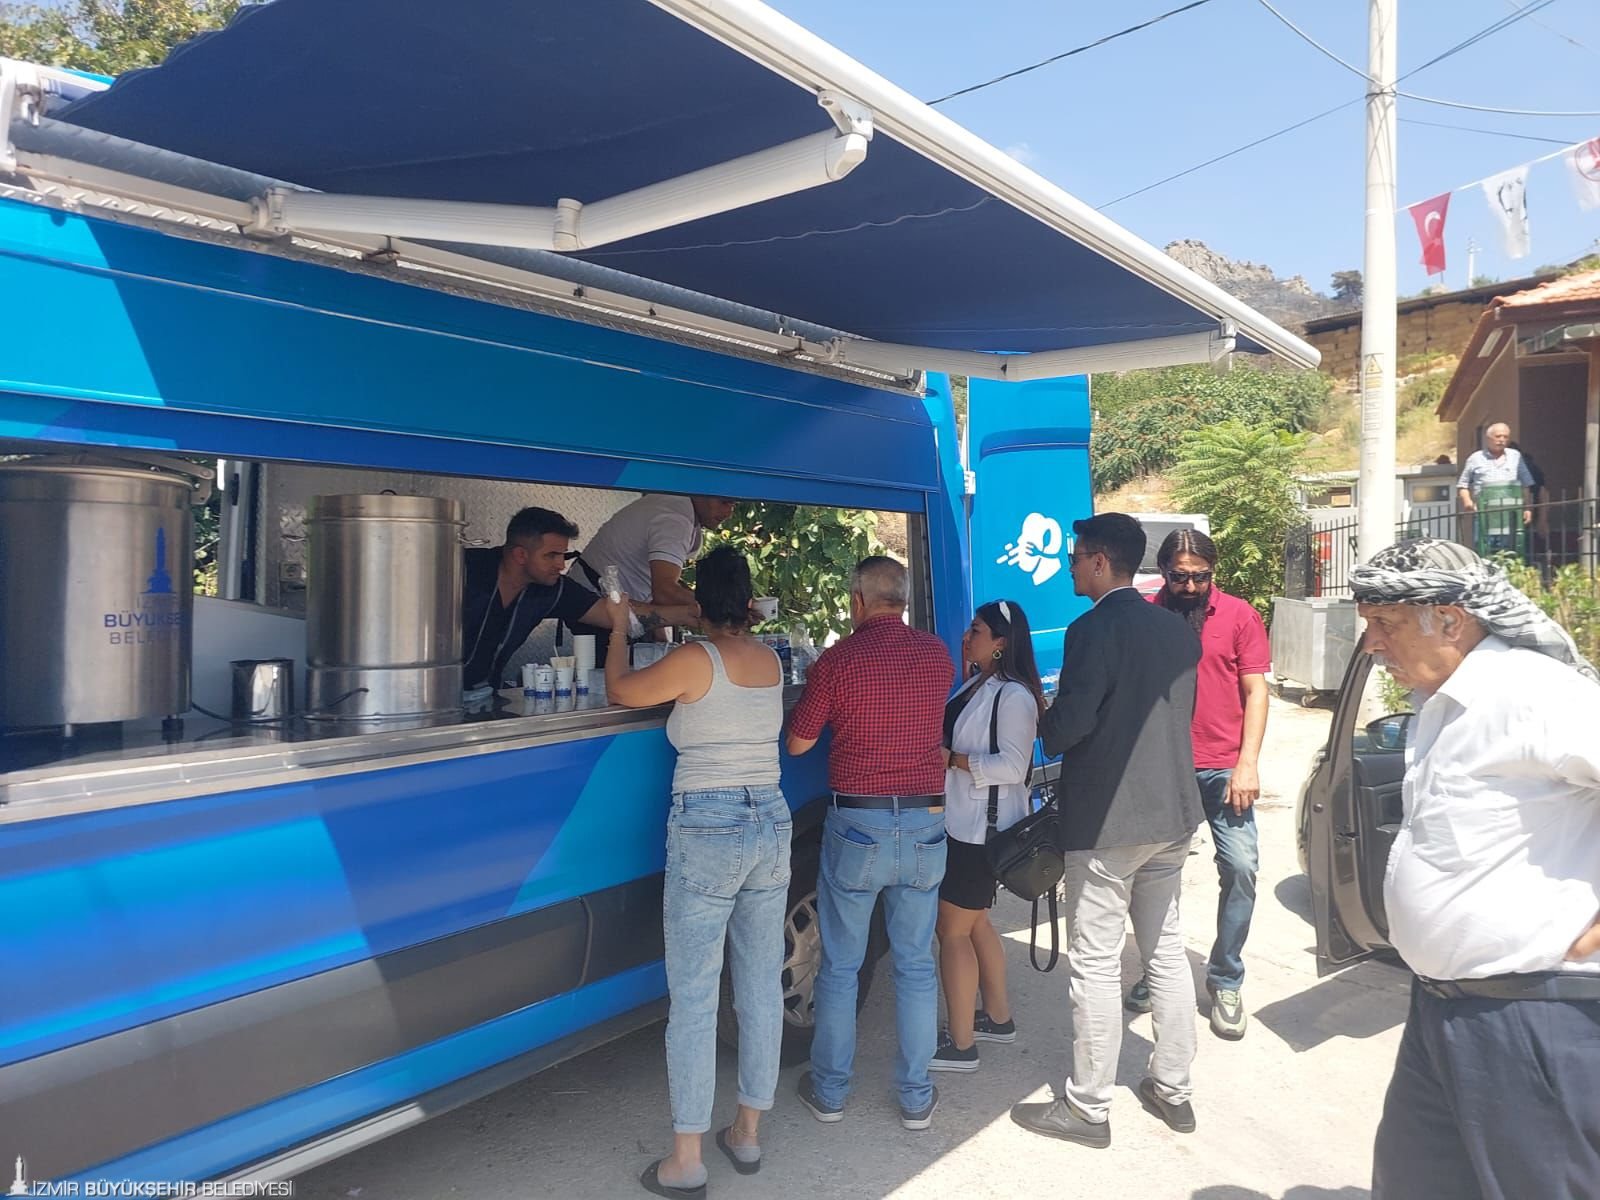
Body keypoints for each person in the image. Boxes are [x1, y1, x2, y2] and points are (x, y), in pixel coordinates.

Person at [1350, 538, 1600, 1200]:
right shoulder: (1442, 702)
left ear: (1451, 620)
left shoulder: (1532, 694)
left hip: (1531, 1016)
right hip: (1440, 1009)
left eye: (1386, 623)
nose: (1372, 643)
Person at [600, 546, 790, 1199]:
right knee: (760, 986)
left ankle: (686, 1161)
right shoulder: (770, 660)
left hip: (709, 824)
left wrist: (619, 628)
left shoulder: (694, 660)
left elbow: (621, 690)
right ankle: (747, 1134)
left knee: (695, 998)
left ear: (700, 602)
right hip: (770, 819)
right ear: (749, 601)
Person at [1010, 513, 1204, 1148]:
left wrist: (1042, 709)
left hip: (1109, 820)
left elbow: (1069, 728)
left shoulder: (1091, 629)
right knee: (1165, 950)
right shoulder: (1175, 629)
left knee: (1094, 962)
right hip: (1172, 814)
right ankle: (1173, 1087)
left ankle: (1089, 1107)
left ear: (1099, 562)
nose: (1069, 566)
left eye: (1076, 557)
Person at [786, 556, 954, 1132]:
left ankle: (830, 1091)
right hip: (926, 825)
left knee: (840, 966)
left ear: (857, 600)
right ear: (902, 599)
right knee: (915, 964)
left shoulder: (838, 660)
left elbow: (800, 743)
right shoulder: (936, 655)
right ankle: (916, 1096)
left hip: (858, 827)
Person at [1126, 529, 1269, 1040]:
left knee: (1242, 867)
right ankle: (1158, 969)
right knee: (1155, 876)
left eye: (1200, 576)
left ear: (1214, 572)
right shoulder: (1145, 615)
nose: (1190, 586)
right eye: (1179, 576)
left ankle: (1225, 978)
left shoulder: (1239, 616)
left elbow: (1256, 691)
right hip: (1165, 767)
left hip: (1224, 768)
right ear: (1163, 572)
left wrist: (1247, 763)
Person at [930, 599, 1044, 1072]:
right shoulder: (981, 683)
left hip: (978, 829)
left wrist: (955, 761)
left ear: (1001, 642)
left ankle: (960, 1045)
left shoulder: (1013, 695)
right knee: (975, 924)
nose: (966, 636)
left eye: (976, 630)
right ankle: (997, 1017)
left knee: (952, 931)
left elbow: (1013, 766)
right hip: (966, 821)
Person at [461, 506, 694, 690]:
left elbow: (618, 615)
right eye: (551, 555)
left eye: (563, 555)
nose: (561, 565)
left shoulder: (554, 589)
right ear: (520, 555)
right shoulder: (463, 569)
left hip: (483, 695)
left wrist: (690, 614)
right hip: (438, 693)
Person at [569, 494, 738, 661]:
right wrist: (724, 607)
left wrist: (659, 631)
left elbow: (656, 583)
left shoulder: (678, 509)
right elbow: (665, 591)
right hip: (593, 603)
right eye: (724, 502)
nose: (729, 512)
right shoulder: (675, 519)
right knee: (608, 674)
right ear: (701, 493)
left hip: (623, 606)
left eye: (733, 505)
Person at [1456, 422, 1533, 544]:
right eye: (1498, 436)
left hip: (1510, 514)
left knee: (1511, 549)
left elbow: (1526, 483)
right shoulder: (1475, 458)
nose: (1502, 440)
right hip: (1484, 513)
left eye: (1505, 437)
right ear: (1488, 438)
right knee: (1484, 548)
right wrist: (1468, 503)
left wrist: (1528, 508)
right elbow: (1462, 485)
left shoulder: (1515, 456)